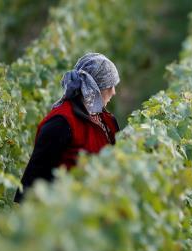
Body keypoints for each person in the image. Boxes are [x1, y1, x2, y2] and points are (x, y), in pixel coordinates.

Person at [14, 53, 120, 202]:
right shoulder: (60, 122)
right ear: (95, 87)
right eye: (110, 85)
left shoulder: (108, 122)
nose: (113, 92)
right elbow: (33, 182)